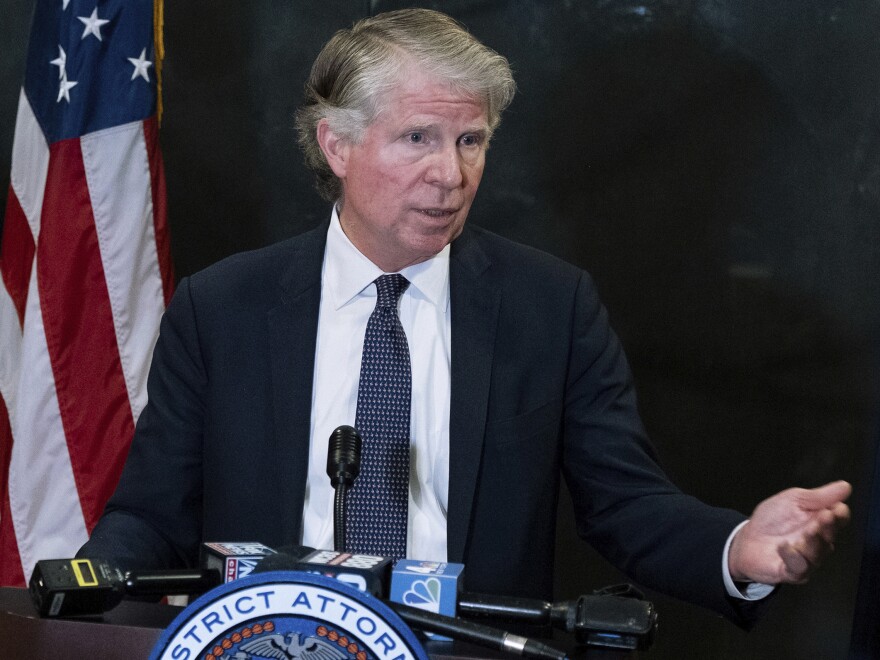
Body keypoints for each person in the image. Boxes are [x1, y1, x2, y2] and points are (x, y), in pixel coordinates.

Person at [79, 8, 850, 629]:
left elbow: (628, 507)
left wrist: (737, 548)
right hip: (274, 648)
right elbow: (150, 516)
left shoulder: (551, 307)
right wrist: (77, 588)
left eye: (470, 140)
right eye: (419, 138)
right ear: (336, 144)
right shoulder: (222, 309)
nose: (451, 175)